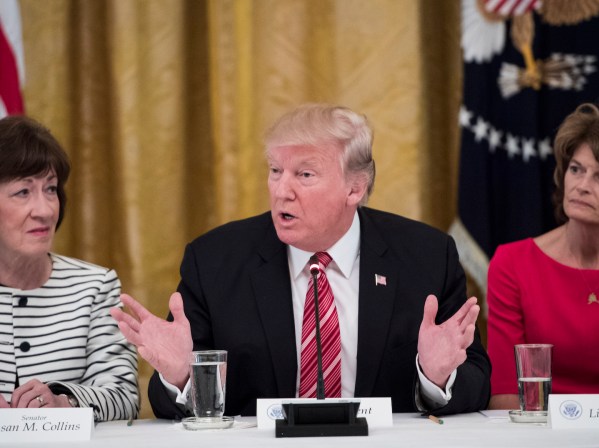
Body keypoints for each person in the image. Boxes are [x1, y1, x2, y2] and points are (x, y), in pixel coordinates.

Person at [112, 104, 491, 418]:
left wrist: (435, 378)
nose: (281, 191)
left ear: (355, 188)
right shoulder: (214, 261)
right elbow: (168, 403)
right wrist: (181, 377)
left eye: (304, 174)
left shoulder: (425, 256)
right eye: (275, 171)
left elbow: (477, 380)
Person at [0, 115, 139, 421]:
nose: (45, 210)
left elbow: (124, 396)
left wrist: (66, 404)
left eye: (50, 189)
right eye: (24, 192)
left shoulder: (94, 286)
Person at [487, 103, 599, 410]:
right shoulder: (512, 264)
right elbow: (506, 396)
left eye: (598, 177)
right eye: (576, 170)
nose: (582, 186)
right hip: (539, 434)